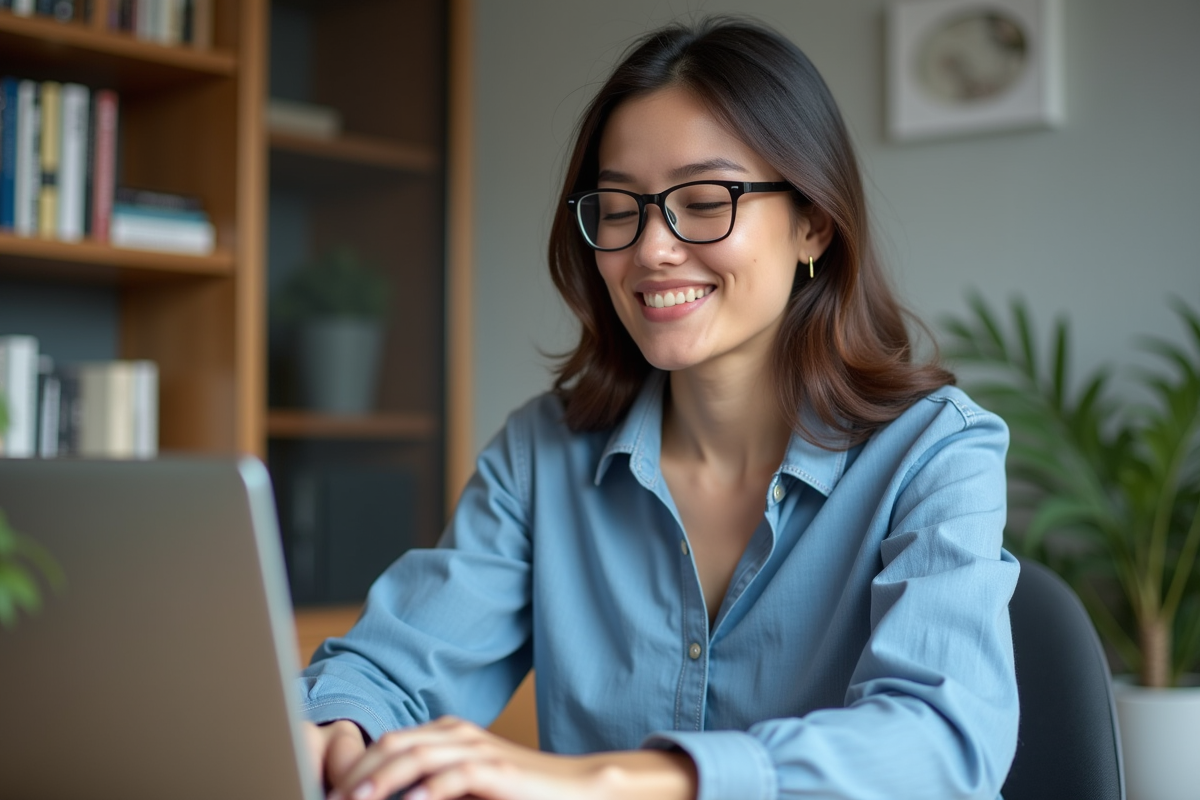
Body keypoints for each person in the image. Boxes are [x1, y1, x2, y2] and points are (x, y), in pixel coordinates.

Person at [299, 16, 1020, 800]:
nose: (651, 249)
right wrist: (344, 731)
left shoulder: (937, 454)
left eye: (705, 200)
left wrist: (619, 778)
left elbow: (941, 745)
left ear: (812, 221)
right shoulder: (543, 455)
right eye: (618, 209)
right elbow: (388, 671)